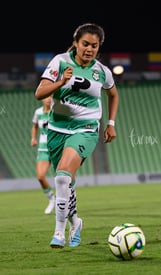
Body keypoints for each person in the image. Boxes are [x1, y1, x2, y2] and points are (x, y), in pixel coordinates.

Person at [35, 23, 119, 248]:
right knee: (66, 183)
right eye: (85, 44)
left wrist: (110, 123)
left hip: (85, 129)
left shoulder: (101, 71)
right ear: (75, 43)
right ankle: (76, 222)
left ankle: (59, 234)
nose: (89, 49)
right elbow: (39, 93)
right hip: (56, 130)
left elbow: (113, 94)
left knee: (62, 178)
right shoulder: (59, 62)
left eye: (94, 45)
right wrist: (61, 82)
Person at [31, 95, 55, 214]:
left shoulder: (56, 111)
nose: (49, 99)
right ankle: (52, 199)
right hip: (43, 148)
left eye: (51, 96)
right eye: (46, 96)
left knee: (64, 177)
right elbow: (35, 126)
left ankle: (67, 202)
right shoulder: (38, 112)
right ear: (42, 99)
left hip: (56, 147)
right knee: (40, 176)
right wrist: (33, 138)